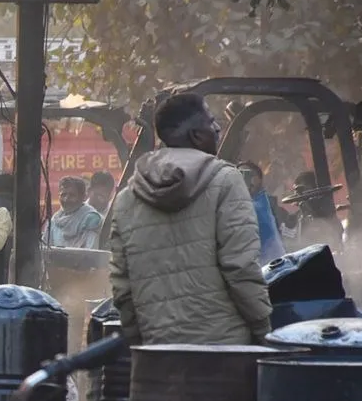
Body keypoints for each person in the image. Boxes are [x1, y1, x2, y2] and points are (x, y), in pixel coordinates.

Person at [108, 92, 271, 346]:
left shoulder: (127, 198)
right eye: (212, 121)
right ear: (196, 135)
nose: (217, 128)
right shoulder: (226, 181)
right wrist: (264, 330)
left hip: (157, 350)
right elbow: (240, 268)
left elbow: (122, 285)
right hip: (224, 349)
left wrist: (139, 340)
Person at [237, 161, 286, 264]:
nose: (245, 179)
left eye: (249, 174)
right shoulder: (249, 202)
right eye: (239, 175)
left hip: (270, 266)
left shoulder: (261, 203)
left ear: (260, 179)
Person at [44, 176, 103, 249]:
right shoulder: (55, 219)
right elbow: (45, 247)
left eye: (72, 195)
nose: (66, 199)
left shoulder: (91, 219)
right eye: (63, 195)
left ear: (83, 197)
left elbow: (89, 250)